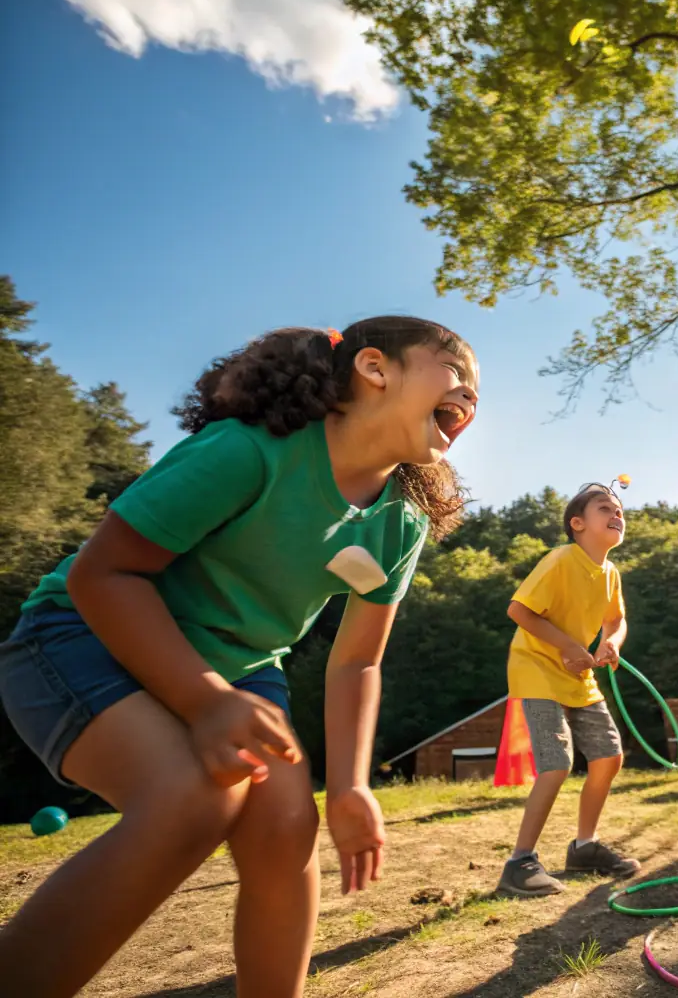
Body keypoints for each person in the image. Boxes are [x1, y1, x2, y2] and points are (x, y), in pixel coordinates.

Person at [0, 317, 479, 997]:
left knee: (287, 827)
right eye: (458, 375)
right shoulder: (248, 451)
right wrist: (204, 701)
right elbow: (103, 576)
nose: (471, 400)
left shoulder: (399, 521)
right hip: (82, 637)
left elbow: (356, 663)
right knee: (194, 802)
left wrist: (349, 785)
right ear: (375, 368)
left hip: (243, 671)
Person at [496, 483, 640, 898]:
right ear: (577, 524)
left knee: (609, 756)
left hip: (579, 675)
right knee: (557, 762)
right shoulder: (561, 560)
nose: (617, 514)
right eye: (604, 508)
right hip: (537, 669)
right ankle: (519, 862)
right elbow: (518, 610)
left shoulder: (610, 573)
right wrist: (568, 645)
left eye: (619, 510)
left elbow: (616, 620)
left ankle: (584, 847)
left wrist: (611, 642)